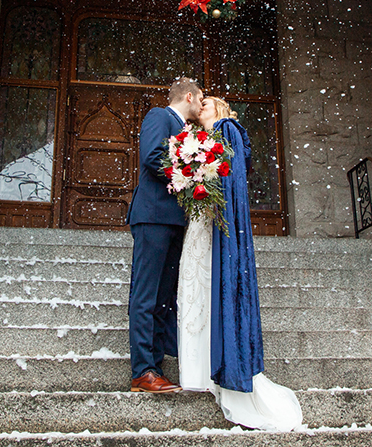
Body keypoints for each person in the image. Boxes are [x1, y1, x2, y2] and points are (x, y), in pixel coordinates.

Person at [177, 96, 303, 431]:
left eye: (206, 102)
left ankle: (222, 368)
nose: (200, 106)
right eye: (199, 103)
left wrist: (204, 180)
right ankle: (197, 369)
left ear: (218, 109)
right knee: (195, 293)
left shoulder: (227, 129)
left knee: (212, 288)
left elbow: (228, 178)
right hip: (202, 221)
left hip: (218, 221)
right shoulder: (198, 139)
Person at [127, 77, 203, 393]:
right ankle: (142, 370)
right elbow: (153, 157)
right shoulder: (159, 116)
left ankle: (155, 366)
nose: (202, 105)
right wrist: (194, 175)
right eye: (201, 99)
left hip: (174, 221)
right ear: (188, 96)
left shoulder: (187, 131)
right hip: (154, 216)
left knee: (162, 299)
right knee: (146, 294)